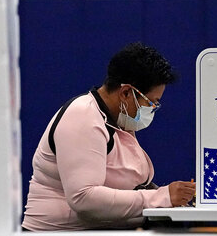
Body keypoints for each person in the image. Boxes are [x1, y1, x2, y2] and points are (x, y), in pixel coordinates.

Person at [22, 42, 196, 231]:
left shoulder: (118, 120)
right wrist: (162, 197)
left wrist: (177, 195)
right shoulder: (83, 117)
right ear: (126, 93)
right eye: (151, 103)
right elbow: (83, 198)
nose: (153, 109)